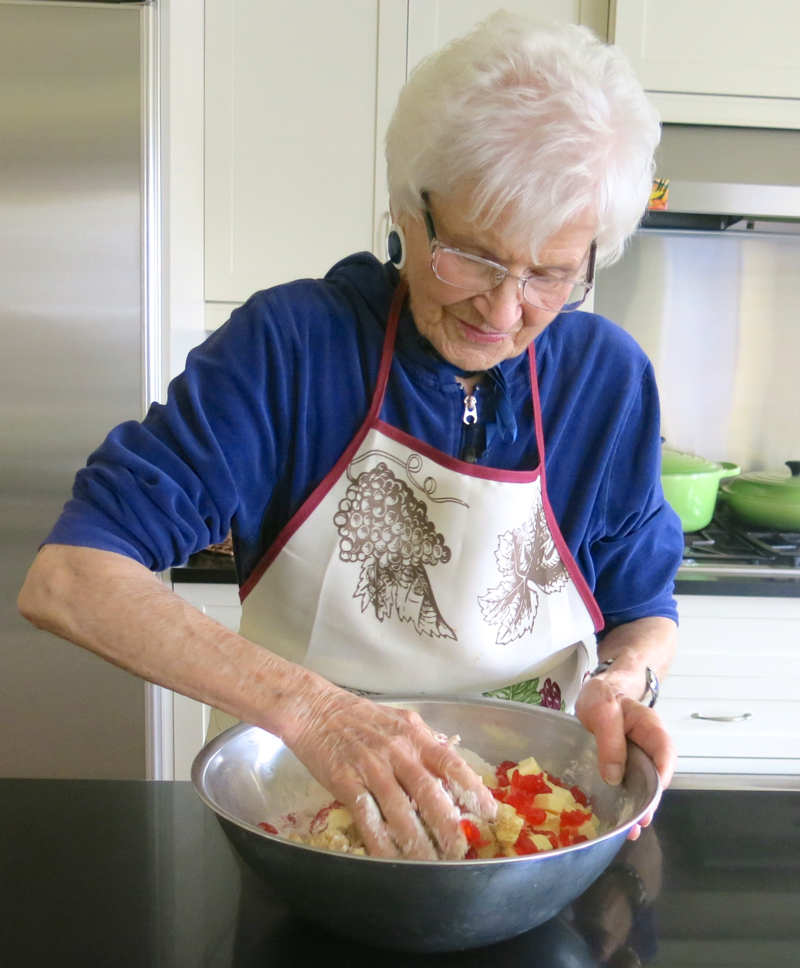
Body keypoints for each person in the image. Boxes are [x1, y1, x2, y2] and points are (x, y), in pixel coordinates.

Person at [19, 13, 683, 860]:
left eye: (552, 274)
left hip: (530, 826)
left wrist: (628, 680)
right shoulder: (293, 347)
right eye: (473, 257)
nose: (505, 310)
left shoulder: (608, 380)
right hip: (308, 819)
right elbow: (71, 578)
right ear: (408, 207)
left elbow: (643, 610)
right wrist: (318, 712)